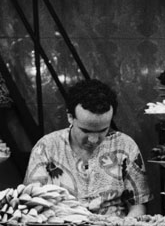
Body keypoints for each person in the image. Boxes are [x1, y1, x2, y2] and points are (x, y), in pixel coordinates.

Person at [24, 79, 151, 217]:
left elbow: (138, 205)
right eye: (86, 131)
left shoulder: (126, 146)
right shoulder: (46, 147)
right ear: (70, 117)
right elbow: (31, 203)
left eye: (103, 130)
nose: (94, 139)